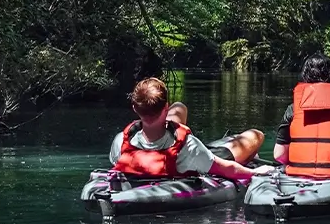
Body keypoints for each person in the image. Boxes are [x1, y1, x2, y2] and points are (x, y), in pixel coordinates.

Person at [110, 77, 268, 182]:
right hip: (196, 156)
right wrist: (256, 172)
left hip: (186, 151)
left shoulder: (120, 141)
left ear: (135, 109)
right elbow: (227, 169)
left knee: (179, 107)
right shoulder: (188, 147)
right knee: (256, 135)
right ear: (165, 108)